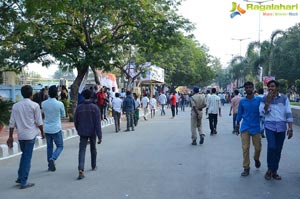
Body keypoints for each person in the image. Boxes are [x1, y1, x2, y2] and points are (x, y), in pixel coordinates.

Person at [7, 85, 44, 189]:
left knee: (24, 156)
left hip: (21, 135)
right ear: (31, 94)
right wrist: (42, 132)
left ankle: (20, 176)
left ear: (22, 94)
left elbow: (11, 123)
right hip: (30, 135)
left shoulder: (16, 106)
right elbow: (39, 122)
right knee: (27, 158)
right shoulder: (35, 106)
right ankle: (24, 181)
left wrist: (10, 136)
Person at [260, 80, 293, 180]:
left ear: (277, 88)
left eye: (273, 86)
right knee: (272, 147)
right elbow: (262, 112)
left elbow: (288, 112)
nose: (270, 88)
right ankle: (269, 169)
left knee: (278, 150)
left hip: (282, 127)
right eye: (269, 87)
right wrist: (268, 101)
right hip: (269, 127)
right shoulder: (264, 98)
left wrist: (290, 128)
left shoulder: (284, 98)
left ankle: (274, 171)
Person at [74, 89, 102, 180]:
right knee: (93, 148)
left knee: (82, 150)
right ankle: (93, 165)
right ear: (91, 96)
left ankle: (81, 169)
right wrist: (100, 136)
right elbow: (98, 123)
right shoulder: (95, 108)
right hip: (92, 131)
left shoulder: (79, 107)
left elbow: (75, 121)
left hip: (82, 131)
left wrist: (78, 129)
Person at [236, 81, 262, 177]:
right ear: (245, 89)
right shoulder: (242, 101)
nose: (248, 89)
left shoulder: (259, 100)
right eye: (247, 88)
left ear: (253, 88)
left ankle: (256, 158)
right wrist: (237, 123)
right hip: (245, 127)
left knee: (258, 148)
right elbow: (239, 113)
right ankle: (246, 168)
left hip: (256, 127)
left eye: (250, 87)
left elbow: (265, 107)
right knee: (245, 148)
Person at [41, 85, 66, 172]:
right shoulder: (60, 104)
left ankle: (49, 165)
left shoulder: (43, 103)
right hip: (56, 128)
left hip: (47, 128)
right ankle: (53, 158)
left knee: (49, 147)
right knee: (60, 146)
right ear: (56, 94)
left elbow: (43, 113)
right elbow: (63, 115)